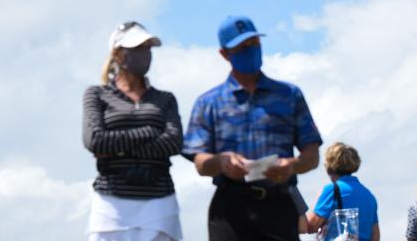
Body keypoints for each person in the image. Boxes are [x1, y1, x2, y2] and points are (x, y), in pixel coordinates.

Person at [182, 16, 323, 241]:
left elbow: (312, 155)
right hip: (230, 209)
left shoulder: (289, 96)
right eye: (242, 47)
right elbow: (200, 163)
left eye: (254, 44)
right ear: (225, 54)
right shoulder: (209, 103)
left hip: (279, 204)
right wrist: (222, 162)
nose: (250, 51)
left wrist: (291, 165)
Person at [83, 21, 184, 241]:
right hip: (111, 205)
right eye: (137, 48)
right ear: (118, 55)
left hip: (160, 203)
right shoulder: (97, 95)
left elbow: (174, 142)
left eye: (147, 48)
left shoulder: (165, 99)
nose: (145, 54)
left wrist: (117, 148)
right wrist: (149, 131)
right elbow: (96, 141)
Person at [306, 142, 380, 241]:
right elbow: (375, 236)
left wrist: (319, 200)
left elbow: (311, 226)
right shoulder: (369, 195)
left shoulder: (332, 190)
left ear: (329, 166)